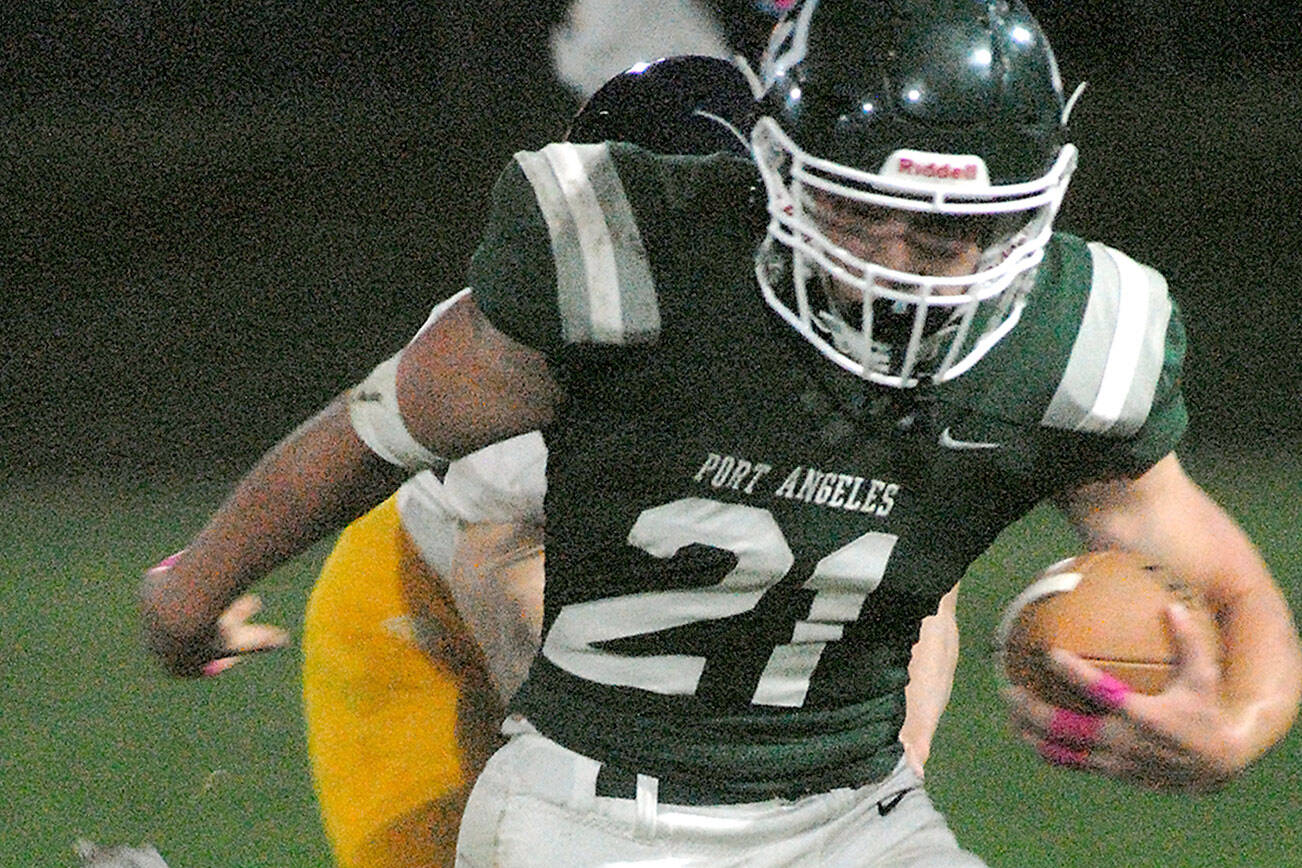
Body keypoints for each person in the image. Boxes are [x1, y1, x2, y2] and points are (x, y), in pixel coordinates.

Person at [140, 1, 1302, 865]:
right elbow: (395, 457)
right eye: (856, 210)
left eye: (942, 233)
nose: (889, 265)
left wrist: (1237, 725)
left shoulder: (1066, 339)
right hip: (584, 780)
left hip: (847, 810)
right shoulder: (614, 290)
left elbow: (1207, 568)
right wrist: (195, 585)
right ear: (770, 176)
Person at [179, 56, 961, 868]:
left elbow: (910, 595)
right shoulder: (545, 344)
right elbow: (510, 590)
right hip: (427, 612)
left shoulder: (864, 333)